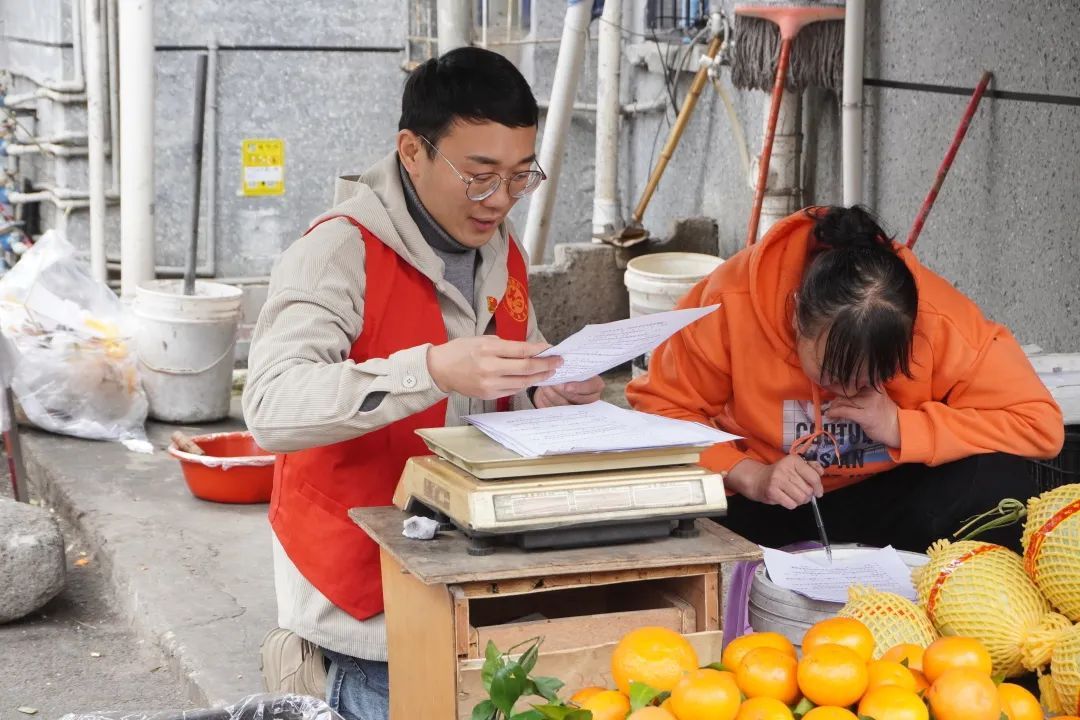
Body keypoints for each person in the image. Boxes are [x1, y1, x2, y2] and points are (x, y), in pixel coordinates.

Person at [242, 47, 604, 720]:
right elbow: (269, 406)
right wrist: (430, 369)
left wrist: (541, 386)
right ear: (412, 151)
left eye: (520, 176)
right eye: (480, 176)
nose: (501, 199)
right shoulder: (336, 252)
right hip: (362, 598)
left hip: (471, 566)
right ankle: (326, 672)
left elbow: (511, 360)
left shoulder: (499, 247)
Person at [627, 205, 1063, 554]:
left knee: (998, 484)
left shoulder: (940, 319)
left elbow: (1037, 423)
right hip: (768, 501)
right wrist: (749, 475)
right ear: (796, 316)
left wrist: (901, 426)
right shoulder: (730, 301)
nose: (850, 392)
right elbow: (658, 409)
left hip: (890, 496)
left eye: (876, 378)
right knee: (662, 507)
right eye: (833, 375)